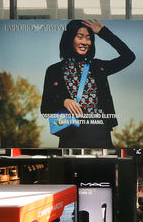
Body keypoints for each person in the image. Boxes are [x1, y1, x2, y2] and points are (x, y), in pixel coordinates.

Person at [39, 19, 135, 148]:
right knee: (70, 168)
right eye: (80, 37)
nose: (85, 42)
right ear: (69, 39)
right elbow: (45, 108)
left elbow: (129, 56)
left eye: (89, 38)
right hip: (69, 133)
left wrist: (103, 32)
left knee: (104, 167)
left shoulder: (98, 66)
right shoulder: (54, 70)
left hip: (100, 131)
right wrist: (63, 101)